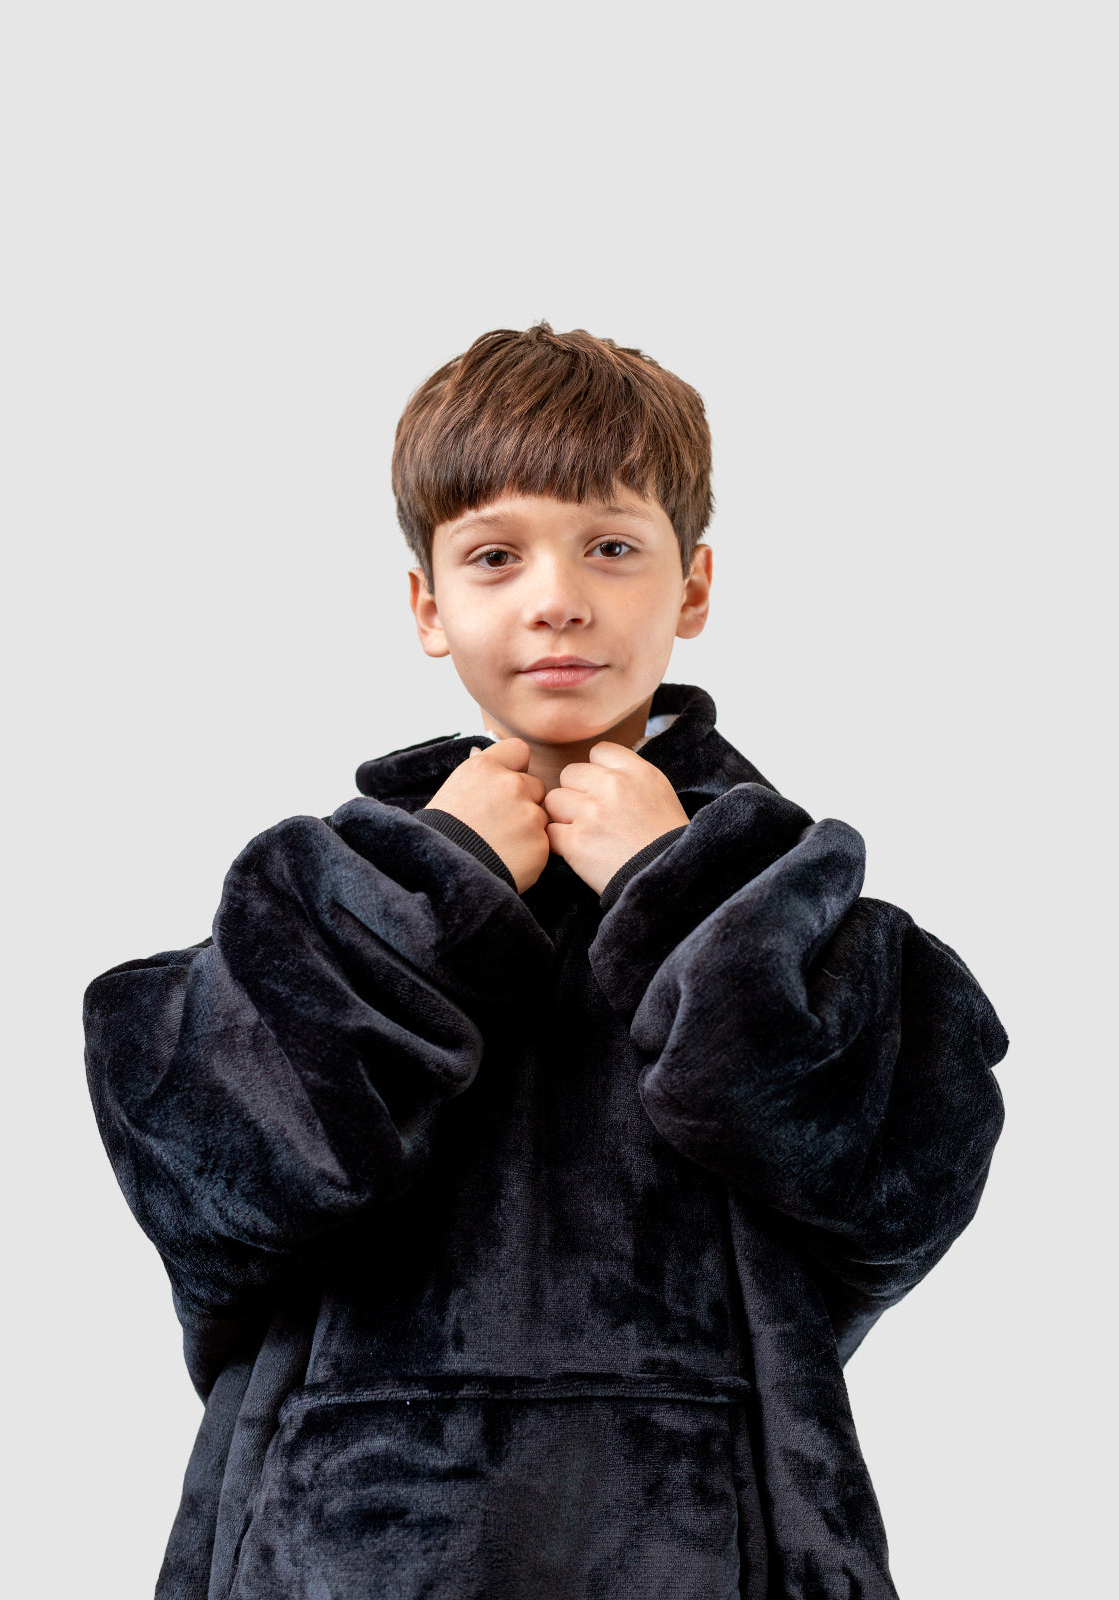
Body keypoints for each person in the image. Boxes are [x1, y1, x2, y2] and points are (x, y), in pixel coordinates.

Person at [83, 322, 1007, 1600]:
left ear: (692, 588)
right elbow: (217, 1190)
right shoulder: (323, 902)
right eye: (494, 554)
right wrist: (437, 878)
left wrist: (674, 882)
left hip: (707, 1551)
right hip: (334, 1554)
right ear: (429, 603)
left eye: (611, 547)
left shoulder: (798, 917)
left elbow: (893, 1195)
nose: (556, 596)